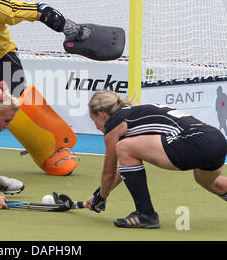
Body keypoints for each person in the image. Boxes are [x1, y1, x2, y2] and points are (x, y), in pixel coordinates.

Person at [83, 90, 227, 229]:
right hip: (216, 140)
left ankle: (145, 214)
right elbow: (123, 170)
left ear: (101, 115)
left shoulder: (114, 123)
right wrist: (99, 194)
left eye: (93, 119)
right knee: (209, 182)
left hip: (193, 141)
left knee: (123, 147)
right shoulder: (135, 115)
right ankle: (144, 214)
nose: (96, 127)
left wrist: (100, 198)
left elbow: (109, 172)